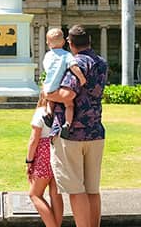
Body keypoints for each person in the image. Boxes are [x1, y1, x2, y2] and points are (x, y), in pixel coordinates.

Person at [44, 25, 108, 227]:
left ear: (70, 43)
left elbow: (67, 94)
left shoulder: (75, 62)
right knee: (92, 190)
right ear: (89, 41)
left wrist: (47, 95)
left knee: (76, 190)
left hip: (71, 134)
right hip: (95, 131)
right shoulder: (101, 62)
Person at [25, 92, 64, 227]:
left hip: (43, 155)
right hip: (59, 152)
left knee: (34, 194)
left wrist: (29, 161)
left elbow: (33, 139)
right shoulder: (62, 110)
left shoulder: (40, 112)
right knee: (55, 194)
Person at [41, 28, 87, 138]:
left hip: (48, 86)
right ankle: (67, 124)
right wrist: (82, 78)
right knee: (69, 105)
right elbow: (74, 67)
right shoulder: (66, 55)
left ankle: (48, 113)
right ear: (63, 42)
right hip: (59, 86)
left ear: (48, 43)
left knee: (50, 100)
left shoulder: (47, 56)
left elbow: (47, 68)